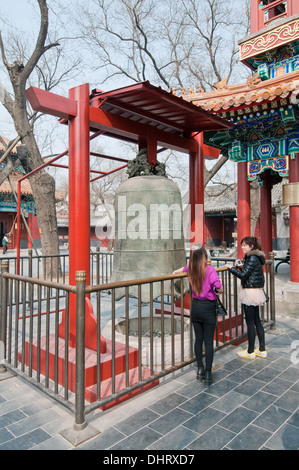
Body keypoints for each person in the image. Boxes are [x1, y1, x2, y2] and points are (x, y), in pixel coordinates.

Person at [174, 244, 223, 385]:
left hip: (195, 308)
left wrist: (174, 272)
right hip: (208, 308)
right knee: (208, 342)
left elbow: (180, 270)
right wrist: (219, 291)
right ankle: (208, 373)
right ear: (205, 257)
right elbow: (218, 286)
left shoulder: (191, 270)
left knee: (198, 339)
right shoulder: (210, 270)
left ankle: (199, 369)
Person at [225, 236, 267, 359]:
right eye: (242, 245)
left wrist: (231, 268)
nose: (242, 247)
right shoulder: (256, 257)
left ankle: (250, 351)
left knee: (250, 322)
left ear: (251, 246)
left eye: (245, 245)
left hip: (250, 292)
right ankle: (262, 349)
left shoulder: (252, 258)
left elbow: (243, 275)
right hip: (256, 291)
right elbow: (249, 272)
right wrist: (242, 266)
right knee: (257, 320)